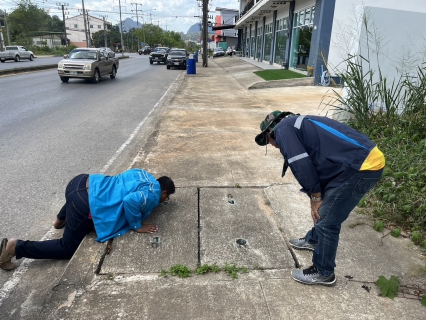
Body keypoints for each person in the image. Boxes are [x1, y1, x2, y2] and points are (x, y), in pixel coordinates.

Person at [255, 111, 385, 286]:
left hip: (362, 167)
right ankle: (314, 240)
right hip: (358, 162)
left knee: (327, 219)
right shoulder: (296, 123)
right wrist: (316, 195)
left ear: (270, 132)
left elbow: (302, 165)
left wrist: (315, 198)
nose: (272, 145)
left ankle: (324, 272)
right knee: (325, 206)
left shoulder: (283, 131)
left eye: (268, 141)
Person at [0, 168, 175, 271]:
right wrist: (136, 225)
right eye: (164, 199)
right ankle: (15, 247)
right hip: (84, 204)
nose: (162, 202)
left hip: (80, 182)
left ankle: (59, 220)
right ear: (164, 192)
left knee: (79, 198)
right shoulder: (154, 194)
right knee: (67, 249)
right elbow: (130, 201)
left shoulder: (143, 174)